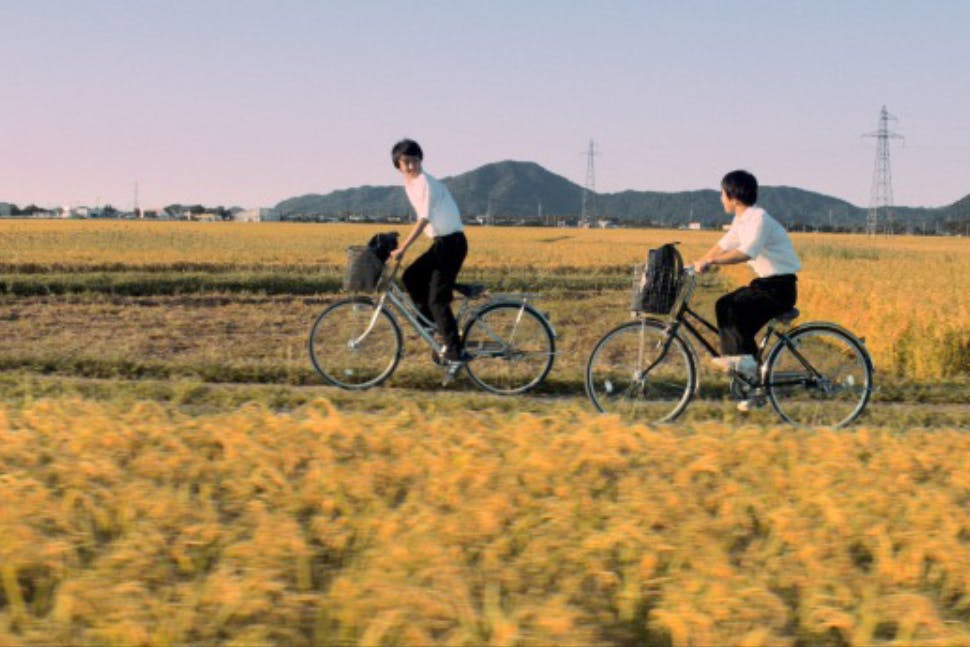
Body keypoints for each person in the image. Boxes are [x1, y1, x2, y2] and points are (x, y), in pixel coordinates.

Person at [691, 170, 801, 407]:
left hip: (780, 288)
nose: (720, 198)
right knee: (725, 306)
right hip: (766, 284)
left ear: (734, 197)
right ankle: (748, 378)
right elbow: (722, 245)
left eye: (722, 193)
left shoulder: (758, 219)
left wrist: (712, 262)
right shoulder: (741, 221)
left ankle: (747, 373)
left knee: (733, 307)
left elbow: (746, 252)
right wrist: (698, 262)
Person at [388, 138, 470, 365]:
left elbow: (424, 218)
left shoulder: (424, 182)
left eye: (415, 160)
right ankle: (431, 324)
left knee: (437, 300)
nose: (412, 166)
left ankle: (455, 351)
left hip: (451, 244)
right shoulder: (410, 184)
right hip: (442, 243)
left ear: (421, 160)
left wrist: (404, 248)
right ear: (398, 166)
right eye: (406, 162)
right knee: (411, 276)